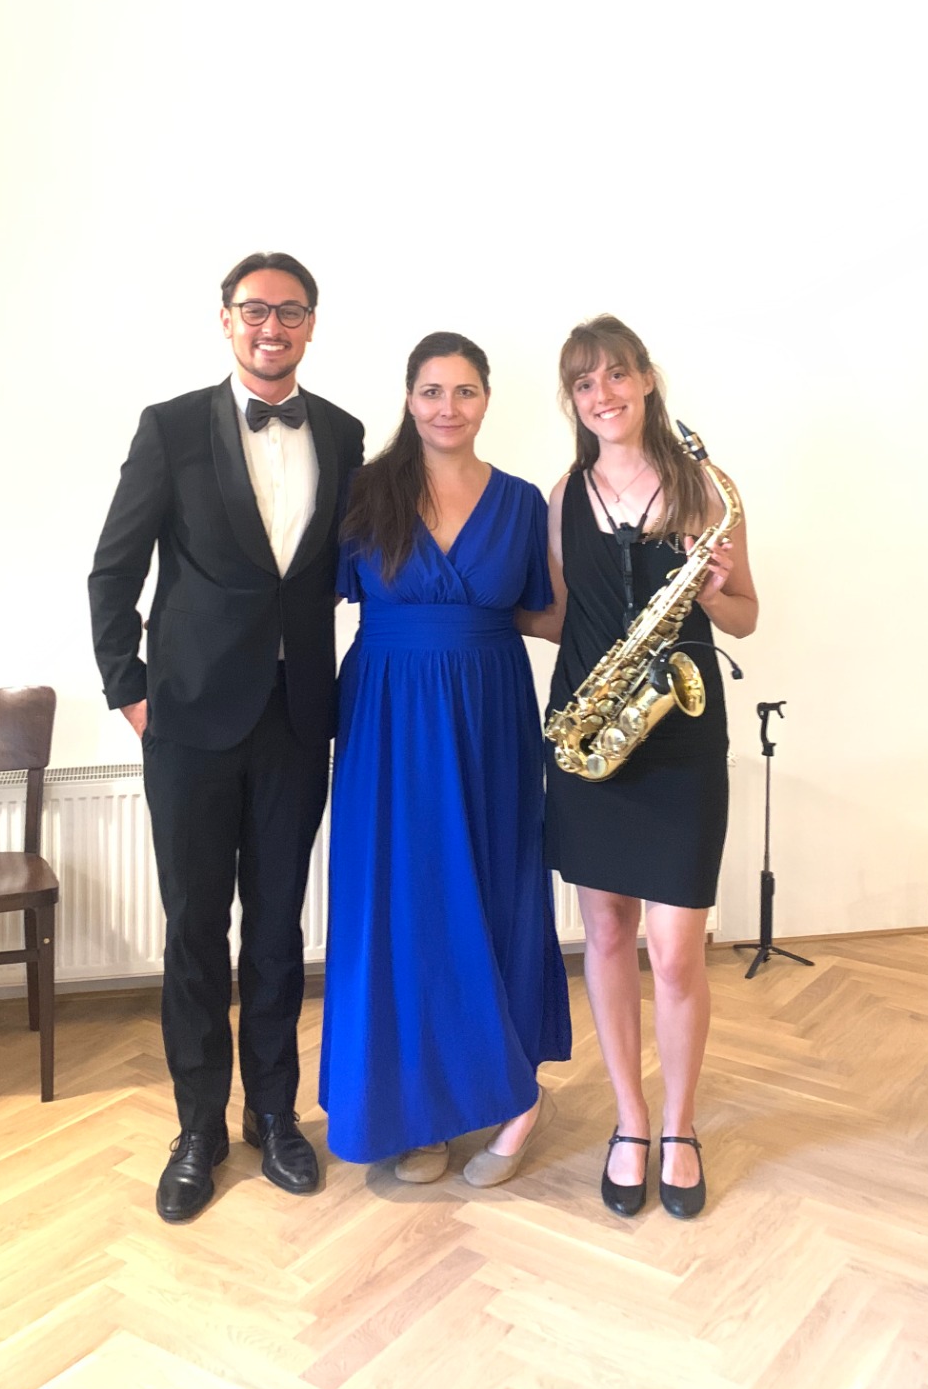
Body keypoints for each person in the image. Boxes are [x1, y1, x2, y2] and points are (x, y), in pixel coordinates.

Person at [88, 252, 364, 1222]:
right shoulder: (170, 428)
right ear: (226, 319)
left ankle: (274, 1115)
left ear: (312, 324)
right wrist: (131, 693)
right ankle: (199, 1126)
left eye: (290, 311)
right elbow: (112, 570)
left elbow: (354, 567)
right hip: (190, 724)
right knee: (196, 929)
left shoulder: (344, 434)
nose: (271, 326)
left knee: (280, 929)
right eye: (255, 310)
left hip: (296, 721)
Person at [320, 331, 571, 1184]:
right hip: (386, 715)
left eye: (465, 391)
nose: (447, 407)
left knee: (496, 888)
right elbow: (303, 601)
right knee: (402, 901)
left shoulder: (523, 502)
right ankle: (417, 1108)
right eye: (432, 391)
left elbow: (551, 616)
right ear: (409, 398)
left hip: (490, 713)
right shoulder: (365, 493)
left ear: (486, 399)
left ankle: (516, 1097)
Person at [543, 316, 757, 1219]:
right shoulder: (564, 494)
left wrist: (712, 591)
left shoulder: (704, 487)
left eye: (617, 375)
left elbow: (745, 617)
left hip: (680, 734)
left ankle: (681, 1123)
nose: (604, 395)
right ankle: (631, 1121)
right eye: (585, 383)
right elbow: (559, 615)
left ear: (647, 379)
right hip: (594, 734)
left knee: (673, 951)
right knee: (605, 934)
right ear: (574, 400)